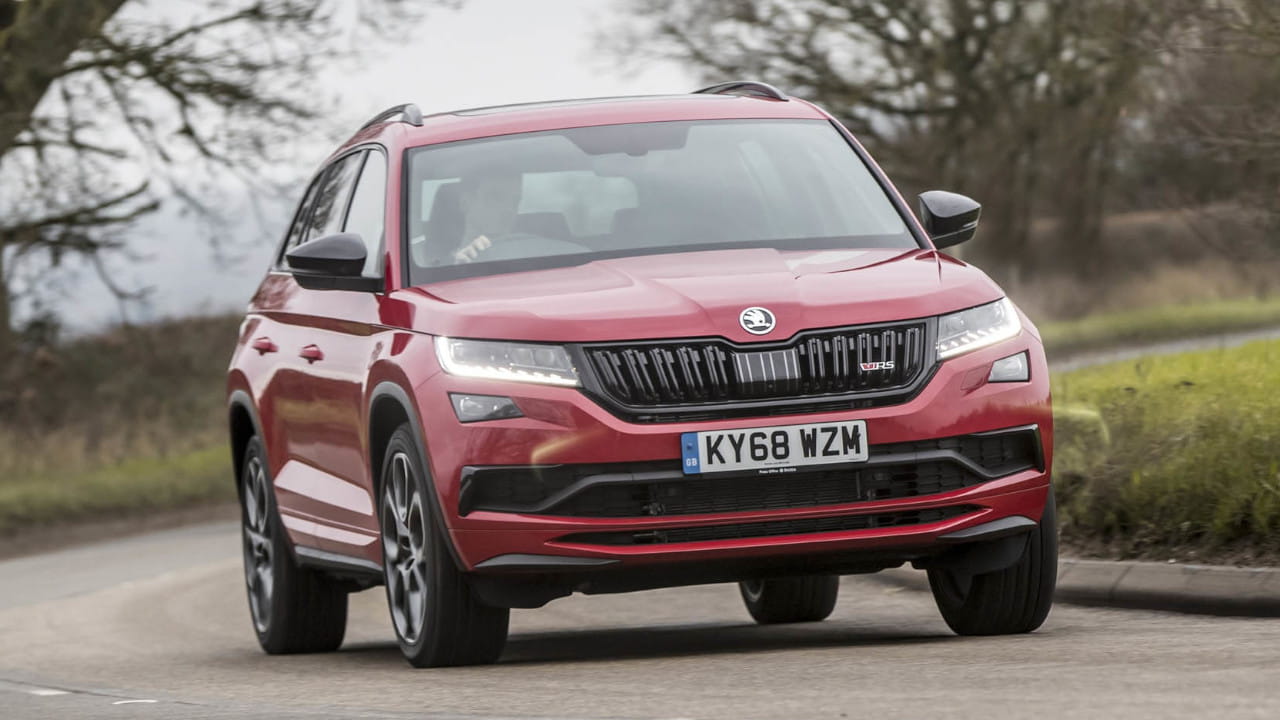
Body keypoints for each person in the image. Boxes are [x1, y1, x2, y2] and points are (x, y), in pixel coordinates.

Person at [450, 170, 522, 263]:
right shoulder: (441, 269)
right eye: (496, 197)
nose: (509, 209)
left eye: (515, 201)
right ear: (465, 203)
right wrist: (458, 271)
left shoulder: (531, 253)